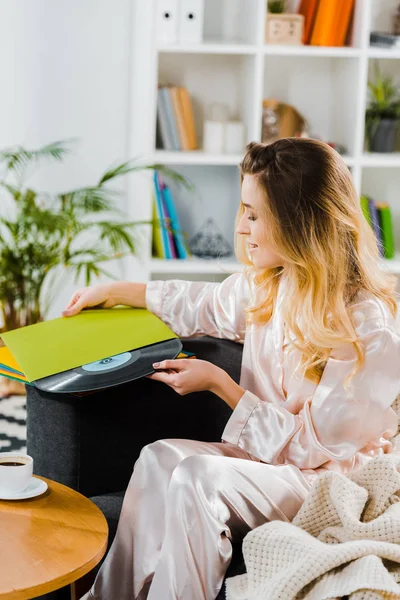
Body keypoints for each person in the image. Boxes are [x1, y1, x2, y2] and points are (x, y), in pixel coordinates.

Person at [64, 138, 400, 600]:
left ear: (299, 223)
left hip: (326, 479)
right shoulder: (273, 286)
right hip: (269, 462)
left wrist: (221, 385)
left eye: (253, 214)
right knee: (159, 456)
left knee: (199, 480)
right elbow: (200, 303)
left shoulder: (368, 326)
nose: (241, 227)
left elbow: (310, 449)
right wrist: (118, 290)